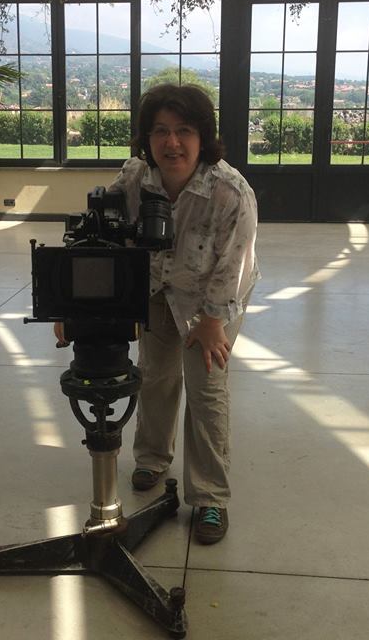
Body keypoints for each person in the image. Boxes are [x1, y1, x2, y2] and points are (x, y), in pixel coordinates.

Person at [56, 83, 259, 543]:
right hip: (155, 289)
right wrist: (74, 302)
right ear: (146, 139)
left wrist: (212, 323)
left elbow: (235, 266)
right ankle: (152, 458)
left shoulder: (231, 193)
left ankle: (209, 496)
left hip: (212, 300)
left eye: (184, 131)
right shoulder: (133, 179)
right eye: (160, 131)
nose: (172, 143)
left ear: (203, 137)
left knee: (206, 389)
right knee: (156, 375)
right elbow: (98, 239)